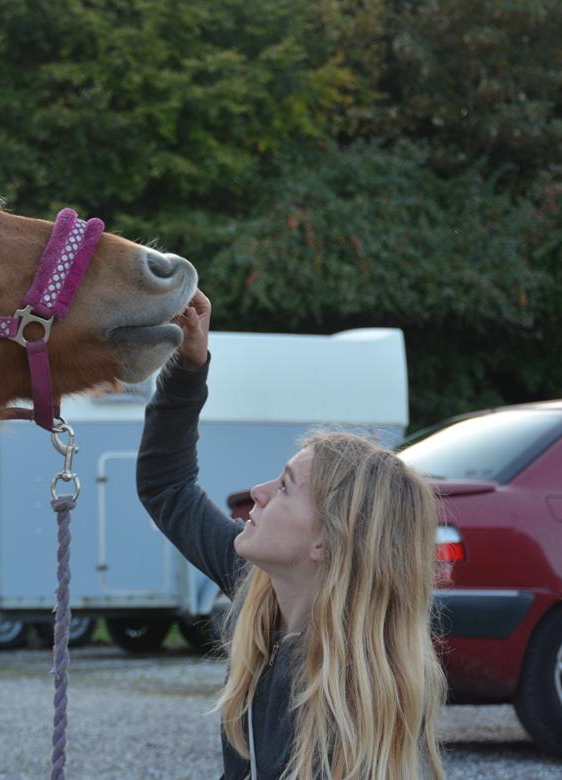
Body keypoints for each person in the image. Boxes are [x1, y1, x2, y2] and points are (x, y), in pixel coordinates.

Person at [136, 290, 446, 779]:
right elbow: (167, 487)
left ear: (326, 542)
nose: (256, 493)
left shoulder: (344, 696)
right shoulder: (256, 593)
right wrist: (188, 366)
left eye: (283, 487)